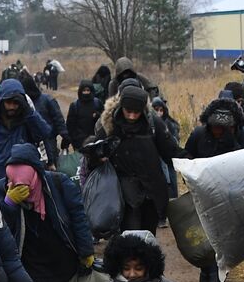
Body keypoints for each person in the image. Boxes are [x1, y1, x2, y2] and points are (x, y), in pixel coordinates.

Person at [0, 142, 96, 282]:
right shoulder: (2, 190)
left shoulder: (59, 183)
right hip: (33, 266)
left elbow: (78, 217)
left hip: (65, 260)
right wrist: (8, 204)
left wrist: (86, 250)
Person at [183, 97, 244, 282]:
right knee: (207, 243)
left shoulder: (241, 134)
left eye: (223, 128)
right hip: (204, 195)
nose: (218, 131)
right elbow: (187, 158)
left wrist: (233, 140)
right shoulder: (198, 135)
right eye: (214, 128)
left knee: (226, 242)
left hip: (230, 195)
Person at [85, 80, 182, 232]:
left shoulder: (153, 124)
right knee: (130, 236)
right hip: (123, 194)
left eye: (136, 112)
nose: (131, 116)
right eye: (128, 111)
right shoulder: (109, 125)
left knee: (148, 236)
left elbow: (171, 151)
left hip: (151, 192)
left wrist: (194, 164)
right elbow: (94, 155)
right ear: (121, 106)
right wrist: (97, 158)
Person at [0, 77, 52, 188]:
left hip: (25, 179)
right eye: (8, 102)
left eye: (16, 103)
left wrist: (29, 112)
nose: (12, 107)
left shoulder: (27, 120)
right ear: (1, 102)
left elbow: (44, 133)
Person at [19, 70, 68, 160]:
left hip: (49, 140)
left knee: (51, 163)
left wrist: (65, 135)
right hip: (30, 142)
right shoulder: (23, 104)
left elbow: (58, 118)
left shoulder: (47, 100)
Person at [150, 97, 181, 226]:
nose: (159, 113)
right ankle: (160, 217)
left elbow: (175, 142)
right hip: (155, 162)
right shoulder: (148, 124)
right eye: (155, 110)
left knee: (171, 189)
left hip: (168, 161)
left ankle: (173, 216)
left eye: (161, 110)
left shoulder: (170, 124)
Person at [66, 80, 102, 153]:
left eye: (88, 90)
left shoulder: (97, 103)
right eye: (84, 90)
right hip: (79, 142)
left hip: (95, 140)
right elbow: (70, 125)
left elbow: (104, 120)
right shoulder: (75, 105)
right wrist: (69, 140)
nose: (86, 93)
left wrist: (98, 115)